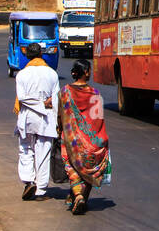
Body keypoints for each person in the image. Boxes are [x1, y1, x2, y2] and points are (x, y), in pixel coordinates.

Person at [58, 60, 110, 215]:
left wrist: (60, 130)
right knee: (90, 169)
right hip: (92, 142)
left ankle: (78, 195)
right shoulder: (95, 94)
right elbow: (98, 119)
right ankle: (82, 197)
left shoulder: (65, 92)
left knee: (71, 166)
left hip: (71, 140)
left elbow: (60, 116)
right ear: (86, 72)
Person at [14, 42, 60, 200]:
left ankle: (28, 182)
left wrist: (37, 104)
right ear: (41, 54)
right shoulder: (52, 74)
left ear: (27, 55)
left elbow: (21, 98)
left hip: (27, 116)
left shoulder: (22, 74)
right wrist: (44, 105)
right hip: (46, 117)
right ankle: (40, 190)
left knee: (25, 149)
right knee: (43, 151)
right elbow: (56, 99)